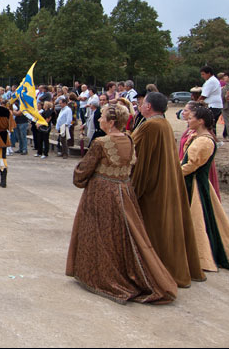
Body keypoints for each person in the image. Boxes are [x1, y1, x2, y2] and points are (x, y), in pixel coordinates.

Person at [66, 103, 177, 304]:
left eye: (101, 117)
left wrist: (79, 178)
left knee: (101, 234)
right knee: (124, 235)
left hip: (102, 192)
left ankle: (100, 275)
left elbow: (84, 169)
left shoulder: (101, 142)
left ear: (110, 122)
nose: (99, 120)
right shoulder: (129, 139)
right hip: (124, 191)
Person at [131, 92, 205, 287]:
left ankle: (153, 272)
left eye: (142, 103)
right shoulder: (162, 124)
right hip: (161, 183)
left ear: (148, 106)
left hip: (152, 188)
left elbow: (142, 161)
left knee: (152, 231)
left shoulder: (151, 127)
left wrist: (133, 189)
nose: (140, 105)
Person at [181, 106, 229, 274]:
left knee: (200, 219)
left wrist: (173, 172)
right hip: (191, 182)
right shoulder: (198, 137)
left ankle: (201, 254)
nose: (188, 119)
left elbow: (191, 166)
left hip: (195, 185)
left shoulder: (204, 141)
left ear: (200, 121)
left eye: (191, 117)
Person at [198, 66, 223, 137]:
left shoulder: (211, 81)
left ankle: (213, 140)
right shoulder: (213, 80)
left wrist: (196, 103)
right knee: (211, 125)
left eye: (203, 74)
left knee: (208, 125)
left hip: (212, 105)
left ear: (208, 73)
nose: (202, 76)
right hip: (216, 105)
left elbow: (204, 95)